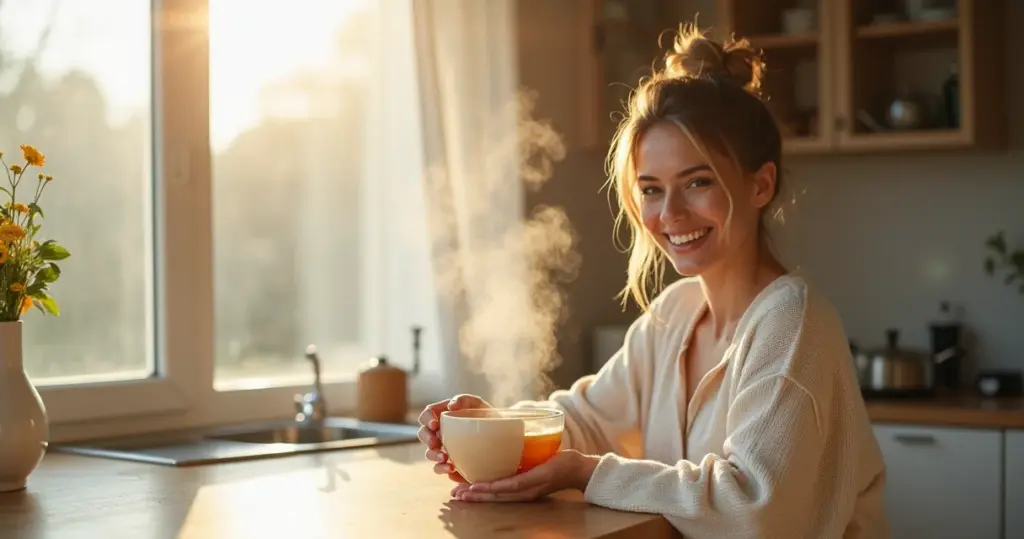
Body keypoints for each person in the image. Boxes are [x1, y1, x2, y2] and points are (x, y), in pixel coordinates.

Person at [416, 24, 889, 539]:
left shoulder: (792, 324)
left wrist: (587, 472)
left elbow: (753, 505)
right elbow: (584, 420)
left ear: (761, 184)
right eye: (651, 189)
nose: (671, 213)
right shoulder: (675, 312)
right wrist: (495, 426)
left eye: (698, 182)